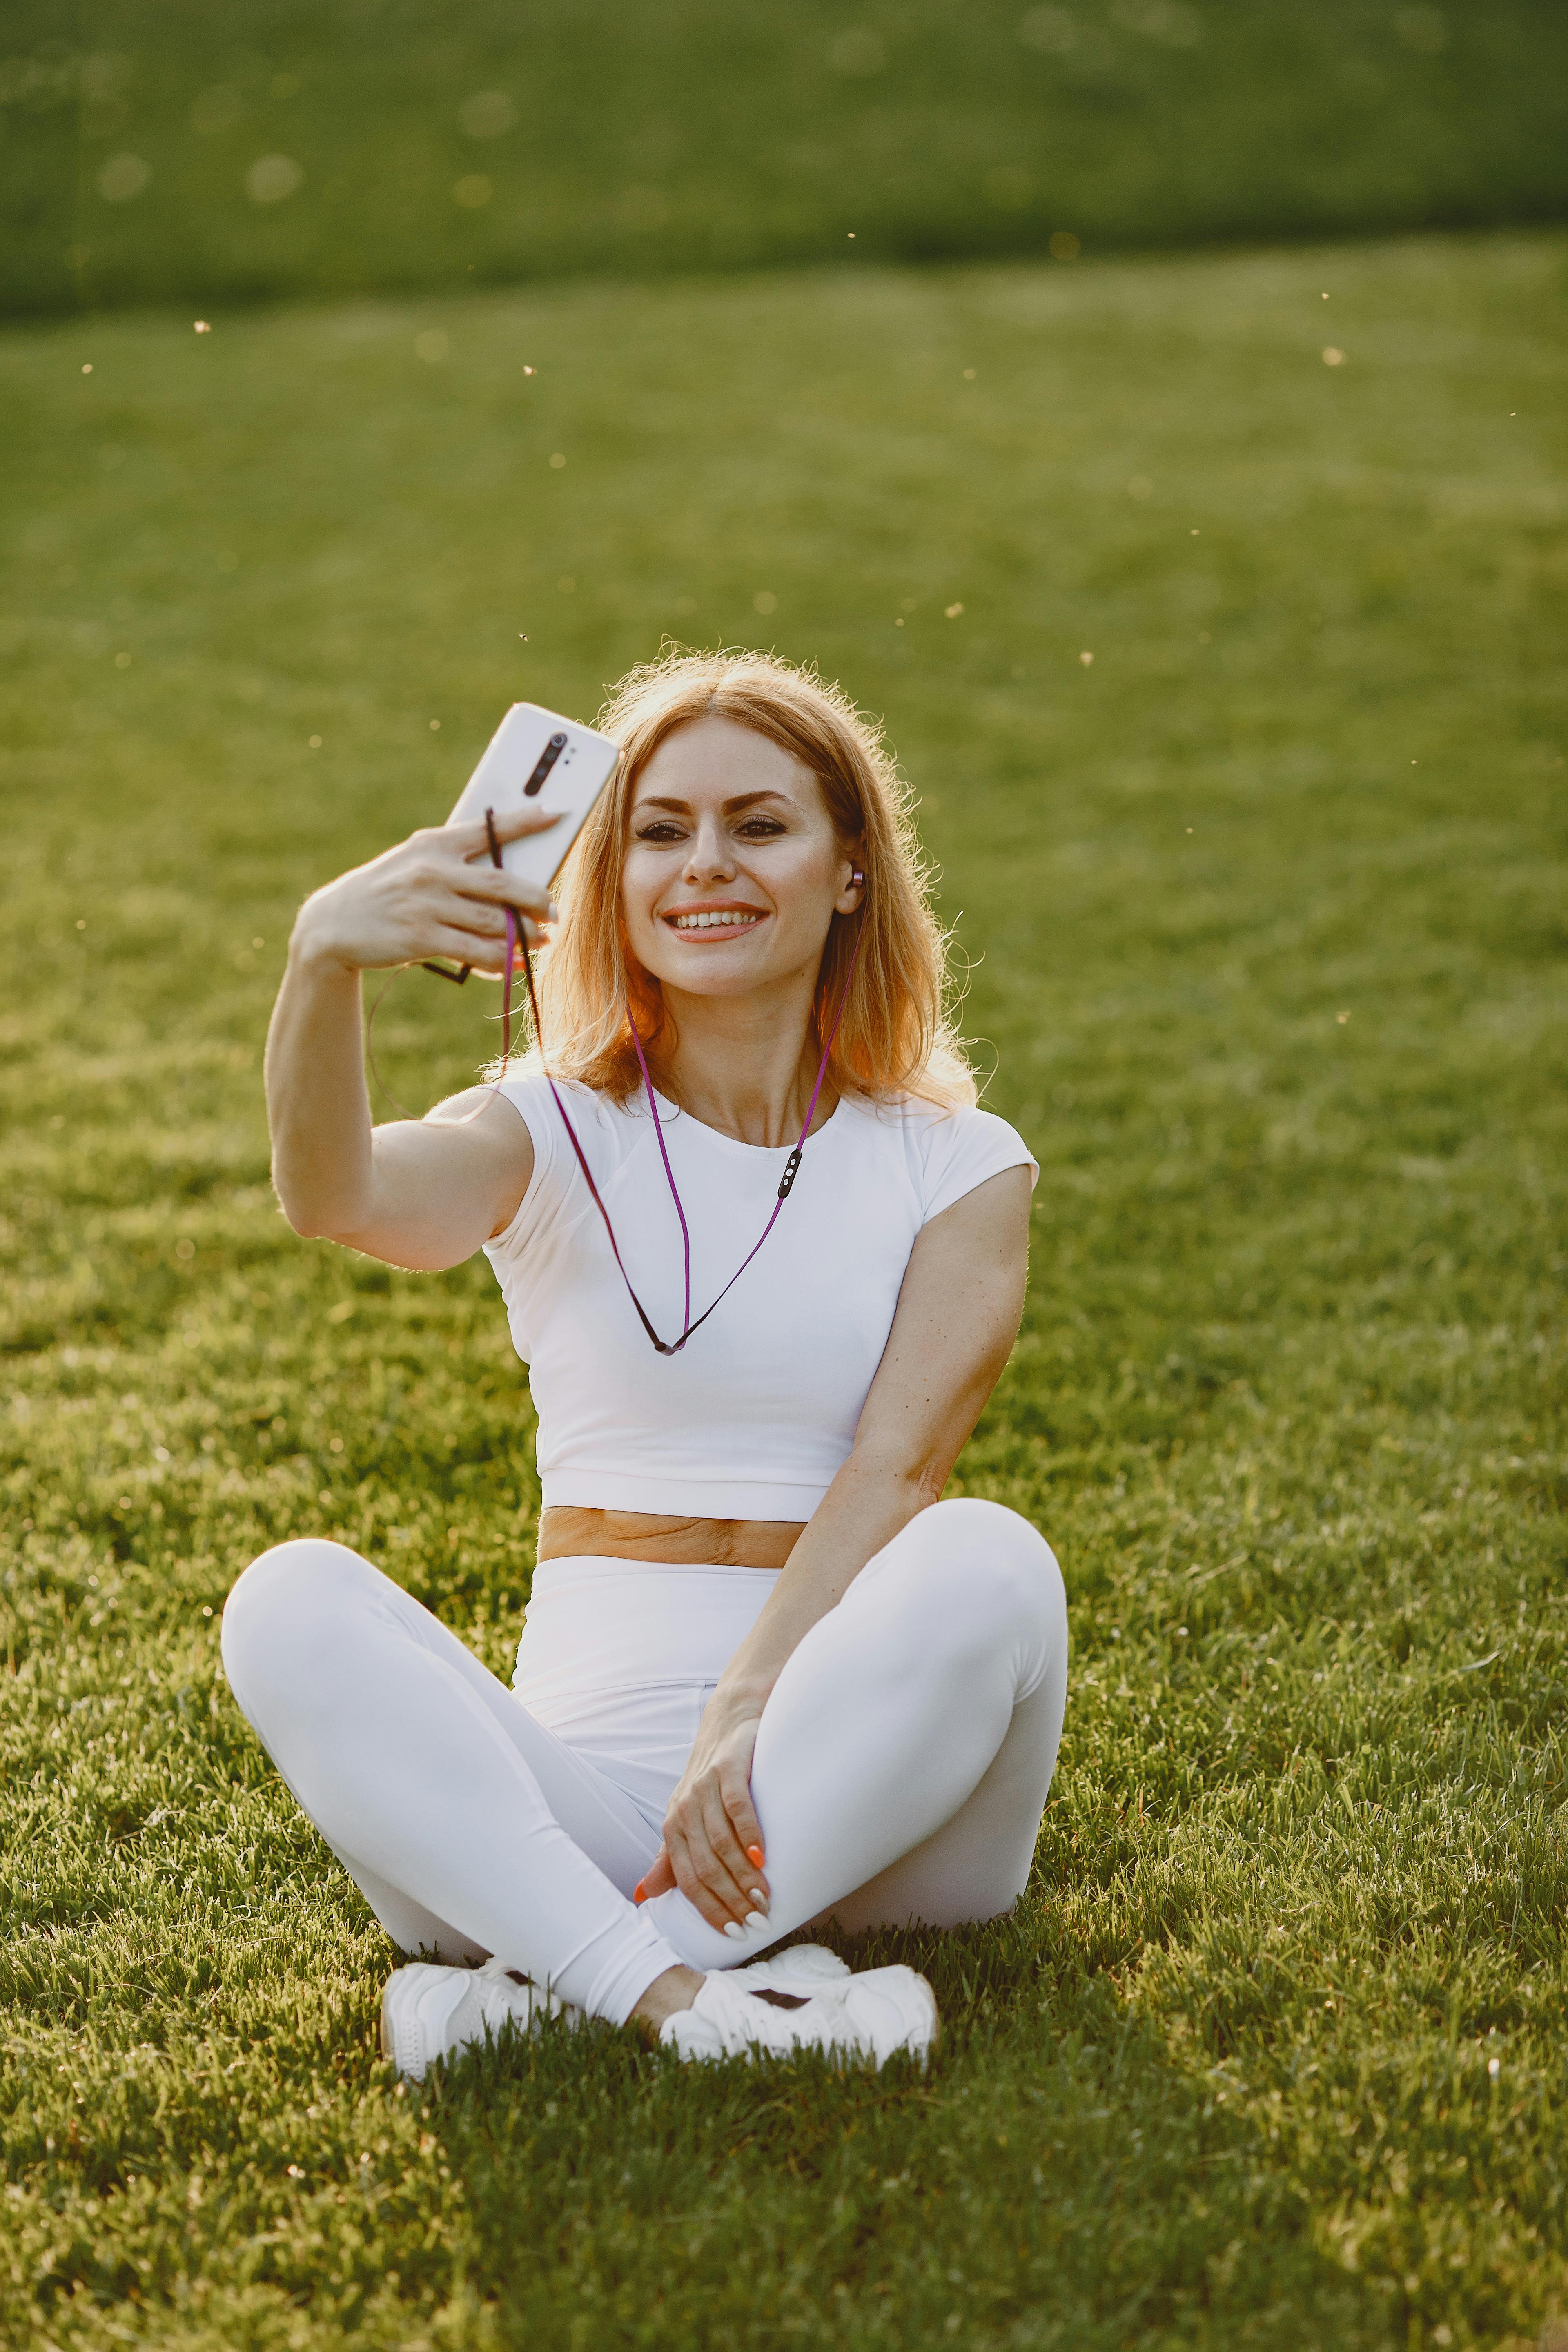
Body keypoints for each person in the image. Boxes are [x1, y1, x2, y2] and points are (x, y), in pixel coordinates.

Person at [221, 648, 1068, 2078]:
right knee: (285, 1598)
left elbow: (899, 1467)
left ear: (850, 870)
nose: (705, 866)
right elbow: (338, 1196)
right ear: (605, 877)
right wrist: (322, 960)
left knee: (992, 1560)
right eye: (662, 830)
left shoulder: (957, 1164)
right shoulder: (544, 1124)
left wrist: (746, 1712)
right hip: (570, 1800)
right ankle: (686, 2001)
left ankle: (543, 1976)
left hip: (859, 1794)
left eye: (761, 824)